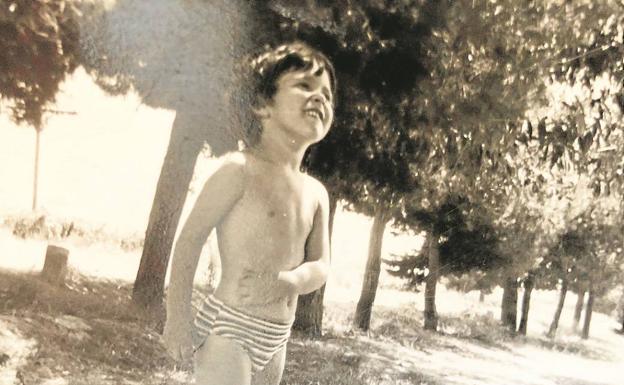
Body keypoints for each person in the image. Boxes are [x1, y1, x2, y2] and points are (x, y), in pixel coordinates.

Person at [163, 41, 336, 385]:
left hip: (277, 337)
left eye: (327, 95)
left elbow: (320, 265)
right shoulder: (239, 171)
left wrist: (291, 281)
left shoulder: (316, 193)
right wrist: (177, 316)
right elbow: (190, 240)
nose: (319, 98)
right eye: (304, 86)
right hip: (230, 325)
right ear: (262, 105)